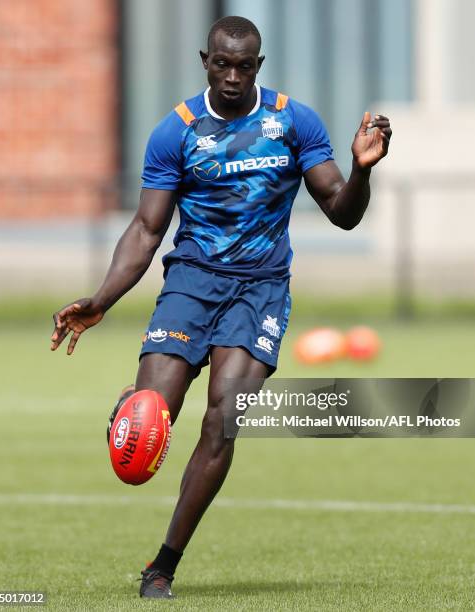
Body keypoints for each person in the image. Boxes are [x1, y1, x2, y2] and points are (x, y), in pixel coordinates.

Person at [50, 15, 392, 599]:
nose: (232, 76)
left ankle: (162, 566)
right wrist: (102, 298)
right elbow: (145, 228)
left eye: (244, 65)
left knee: (222, 422)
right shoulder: (176, 131)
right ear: (204, 61)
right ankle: (137, 402)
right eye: (221, 63)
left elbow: (342, 210)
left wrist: (360, 170)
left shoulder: (292, 121)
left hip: (260, 290)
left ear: (258, 66)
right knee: (152, 420)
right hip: (191, 283)